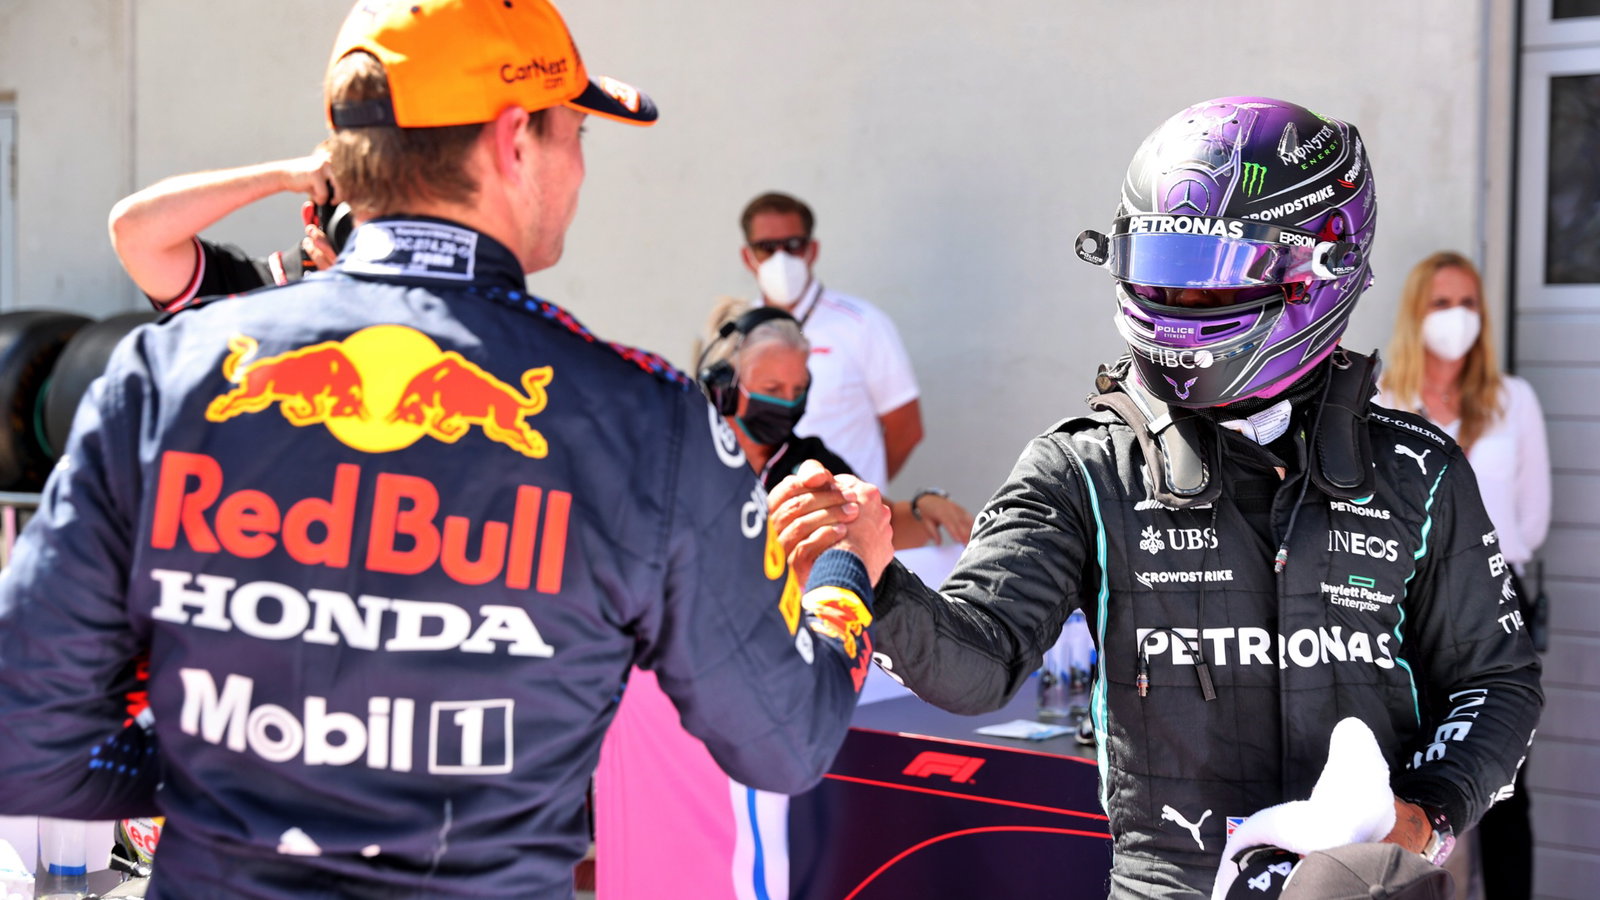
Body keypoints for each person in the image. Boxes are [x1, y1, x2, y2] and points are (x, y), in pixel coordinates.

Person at [0, 2, 892, 898]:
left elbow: (29, 741)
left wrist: (248, 760)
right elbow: (788, 740)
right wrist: (844, 569)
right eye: (575, 132)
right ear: (512, 142)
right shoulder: (646, 422)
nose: (581, 167)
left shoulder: (163, 377)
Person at [770, 96, 1543, 898]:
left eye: (1213, 279)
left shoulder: (1417, 468)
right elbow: (980, 662)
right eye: (1162, 271)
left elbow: (1497, 683)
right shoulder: (1082, 465)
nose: (1182, 303)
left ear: (1322, 266)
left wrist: (1415, 821)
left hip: (1374, 885)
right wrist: (878, 579)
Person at [593, 305, 968, 900]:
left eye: (798, 391)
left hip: (755, 695)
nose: (785, 403)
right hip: (674, 703)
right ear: (723, 385)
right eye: (771, 387)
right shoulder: (678, 455)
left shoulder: (806, 462)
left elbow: (862, 521)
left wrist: (919, 508)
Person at [1378, 251, 1551, 900]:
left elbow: (1532, 518)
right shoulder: (1381, 402)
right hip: (1403, 603)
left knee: (1502, 778)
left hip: (1495, 598)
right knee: (1408, 769)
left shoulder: (1513, 401)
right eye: (1442, 303)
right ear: (1415, 313)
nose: (1457, 317)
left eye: (1469, 303)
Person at [738, 191, 923, 488]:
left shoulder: (863, 324)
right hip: (764, 509)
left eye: (793, 245)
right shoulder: (734, 332)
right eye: (766, 248)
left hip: (849, 508)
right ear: (748, 257)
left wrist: (862, 490)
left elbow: (907, 429)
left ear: (812, 250)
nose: (780, 258)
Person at [107, 151, 343, 311]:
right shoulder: (254, 290)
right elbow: (133, 230)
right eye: (349, 213)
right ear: (313, 217)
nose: (361, 229)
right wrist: (282, 176)